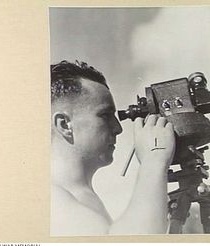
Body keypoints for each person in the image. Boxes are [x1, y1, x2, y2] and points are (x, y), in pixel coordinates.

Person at [50, 60, 175, 235]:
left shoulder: (79, 197)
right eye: (105, 115)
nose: (118, 128)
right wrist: (154, 159)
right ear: (64, 124)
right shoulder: (50, 197)